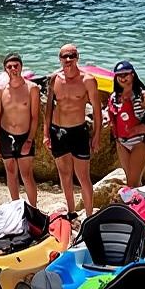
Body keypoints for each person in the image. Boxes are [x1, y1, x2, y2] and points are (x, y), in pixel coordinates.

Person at [44, 44, 102, 220]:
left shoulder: (88, 80)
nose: (68, 59)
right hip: (58, 131)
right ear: (60, 59)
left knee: (83, 176)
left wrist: (96, 136)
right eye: (64, 56)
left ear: (78, 57)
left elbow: (97, 110)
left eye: (72, 56)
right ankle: (71, 211)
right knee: (64, 174)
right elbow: (48, 107)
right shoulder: (54, 79)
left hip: (78, 131)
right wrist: (46, 133)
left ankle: (90, 215)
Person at [0, 53, 41, 205]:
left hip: (24, 136)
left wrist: (29, 140)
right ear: (5, 69)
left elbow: (35, 117)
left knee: (26, 174)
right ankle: (15, 207)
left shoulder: (32, 88)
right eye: (9, 66)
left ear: (21, 67)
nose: (13, 69)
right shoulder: (0, 90)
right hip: (5, 135)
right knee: (11, 172)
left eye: (16, 66)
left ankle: (33, 209)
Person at [106, 61, 145, 187]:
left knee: (132, 182)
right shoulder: (114, 97)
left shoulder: (143, 97)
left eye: (125, 74)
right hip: (121, 144)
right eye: (119, 75)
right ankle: (141, 199)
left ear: (132, 75)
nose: (122, 78)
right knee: (132, 181)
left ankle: (136, 200)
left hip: (139, 143)